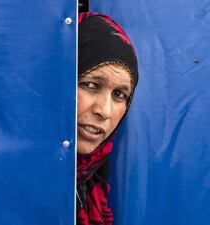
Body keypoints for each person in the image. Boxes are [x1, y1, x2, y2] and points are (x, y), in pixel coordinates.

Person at [77, 12, 139, 225]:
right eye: (90, 84)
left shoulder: (92, 188)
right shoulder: (12, 180)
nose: (104, 111)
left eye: (119, 94)